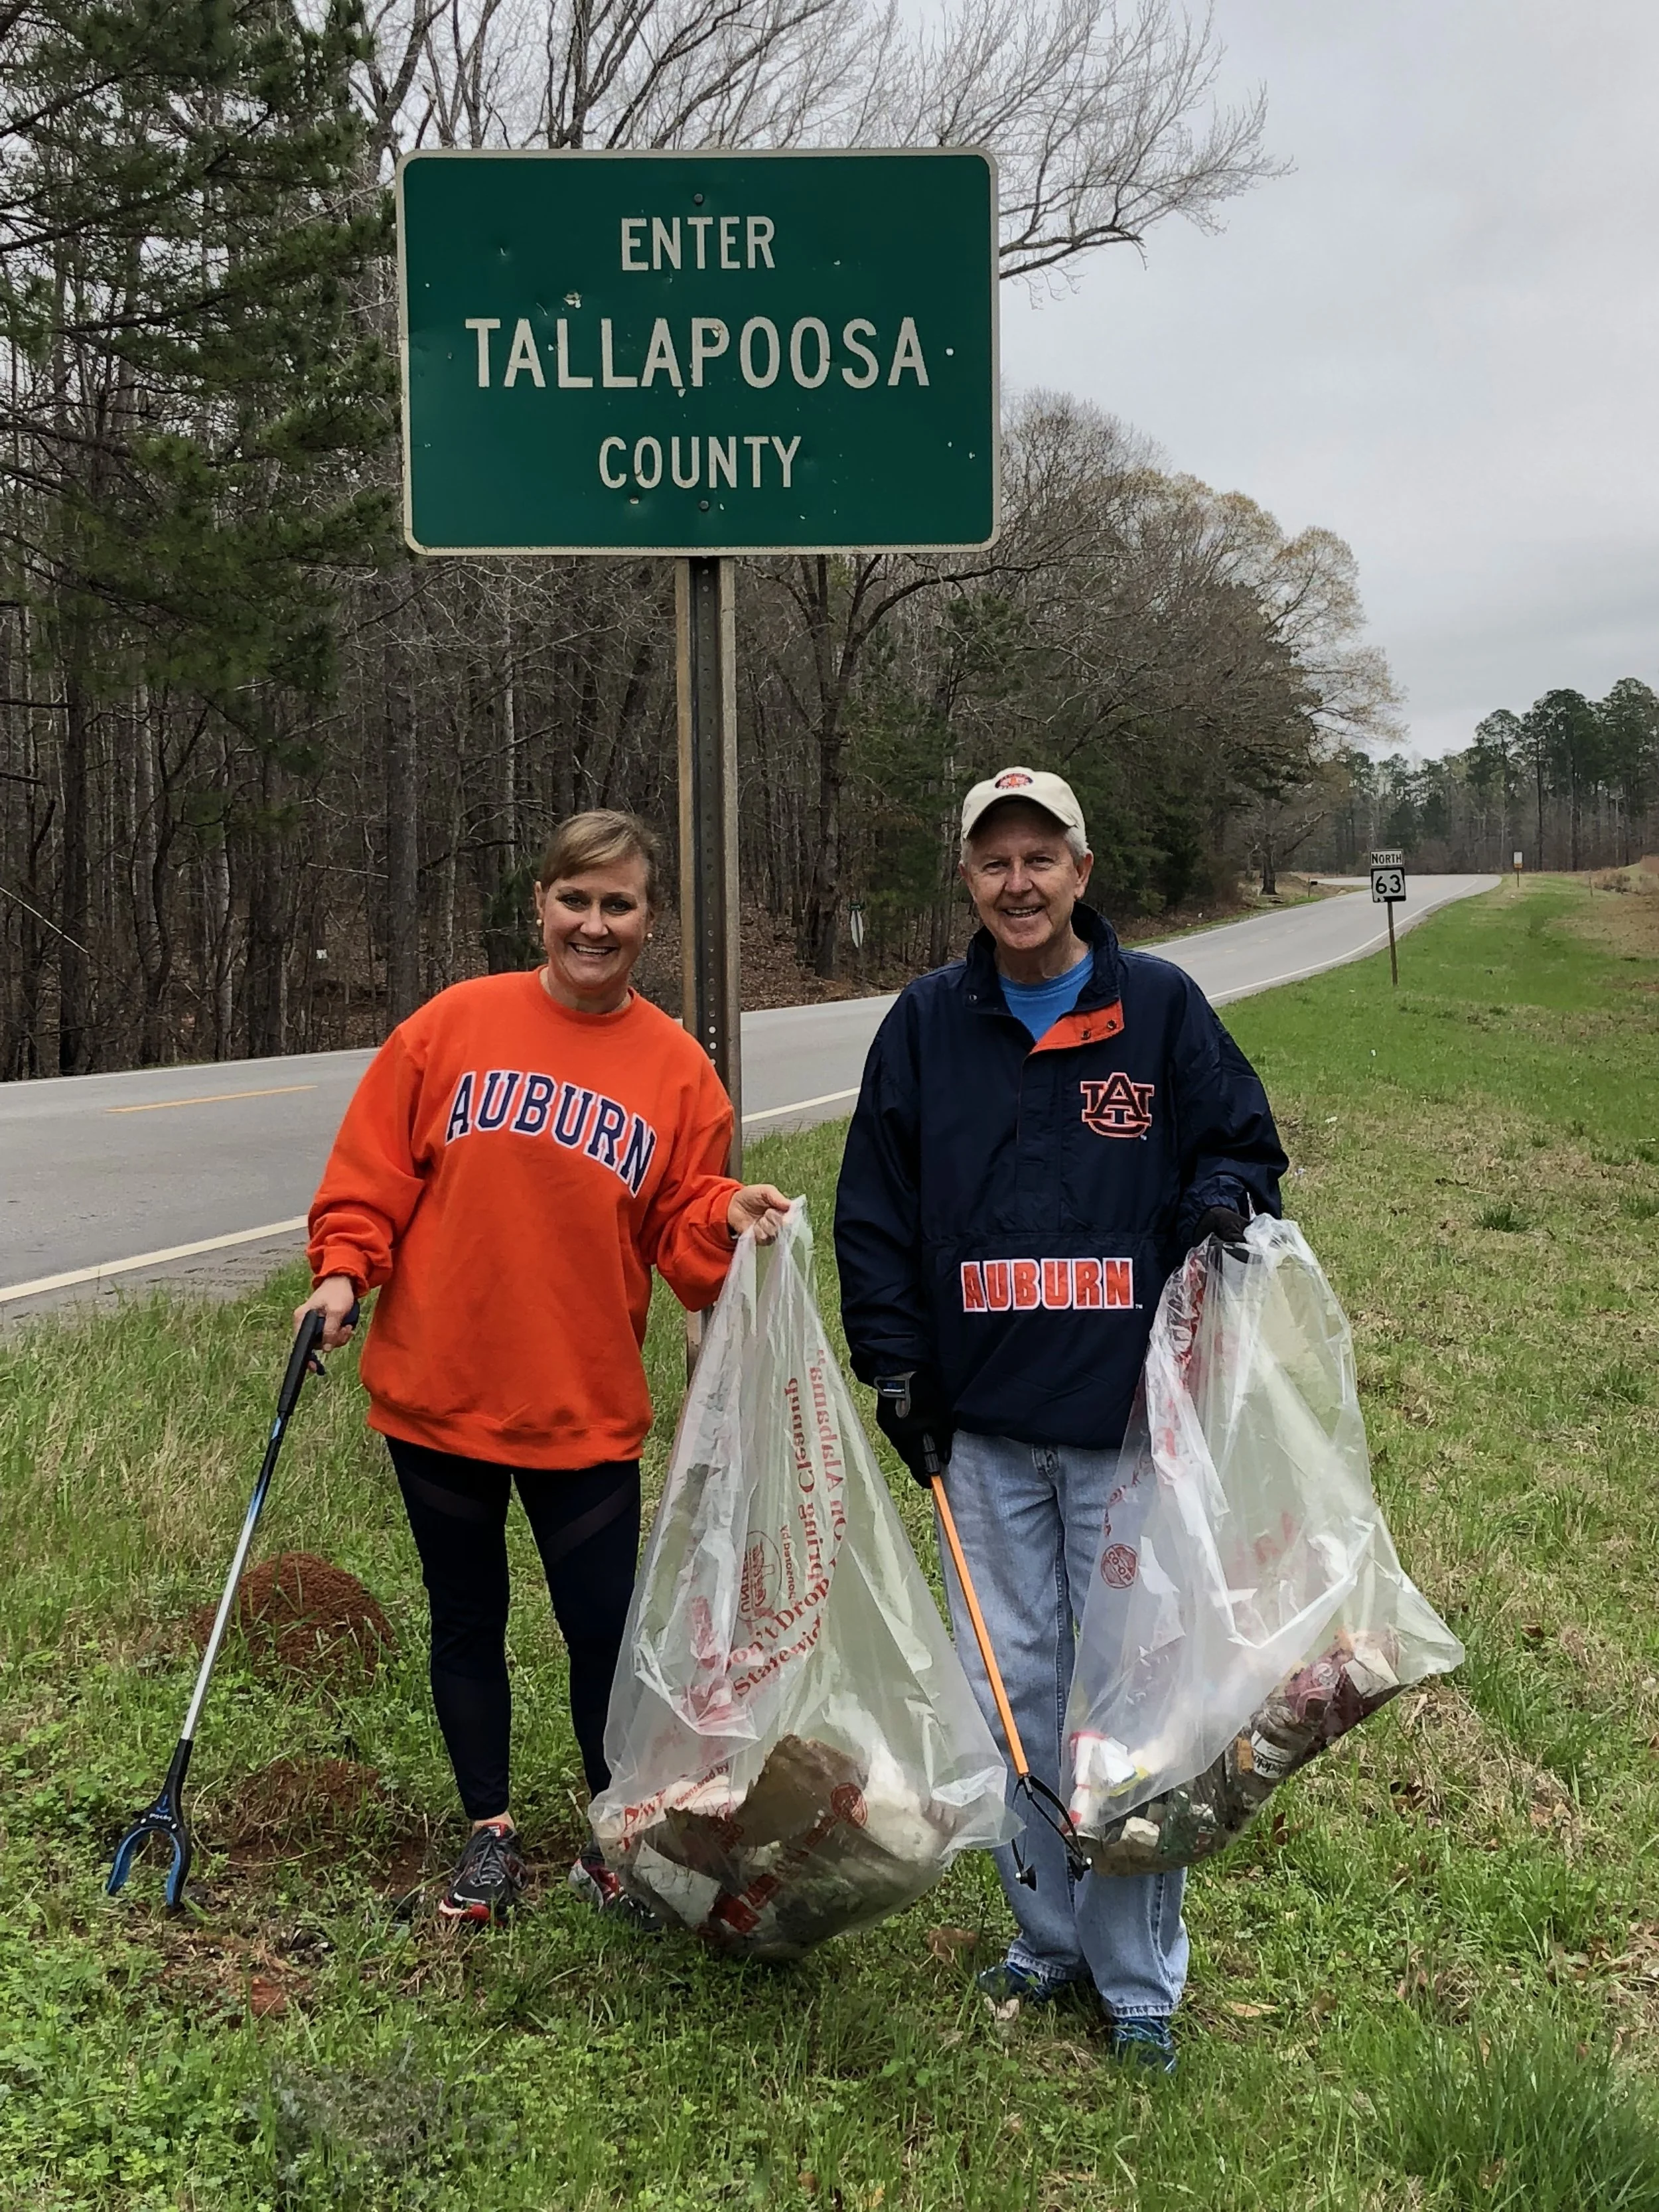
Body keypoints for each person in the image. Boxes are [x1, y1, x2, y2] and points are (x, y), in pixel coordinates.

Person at [833, 767, 1287, 2071]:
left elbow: (1243, 1146)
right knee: (1006, 1691)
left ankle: (1137, 1979)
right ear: (966, 881)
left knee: (1132, 1700)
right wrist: (895, 1369)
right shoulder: (922, 1026)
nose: (1017, 882)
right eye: (994, 862)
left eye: (1041, 857)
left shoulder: (1154, 1008)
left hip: (1127, 1420)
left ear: (1081, 872)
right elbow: (873, 1214)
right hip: (979, 1430)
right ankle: (1045, 1939)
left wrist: (1213, 1199)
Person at [297, 809, 788, 1925]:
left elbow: (681, 1227)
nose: (595, 924)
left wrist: (732, 1212)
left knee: (604, 1635)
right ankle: (488, 1836)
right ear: (541, 905)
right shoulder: (451, 1028)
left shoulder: (676, 1072)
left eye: (619, 905)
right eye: (577, 899)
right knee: (463, 1617)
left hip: (581, 1409)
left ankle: (616, 1837)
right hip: (439, 1396)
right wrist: (341, 1274)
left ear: (648, 922)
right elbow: (372, 1176)